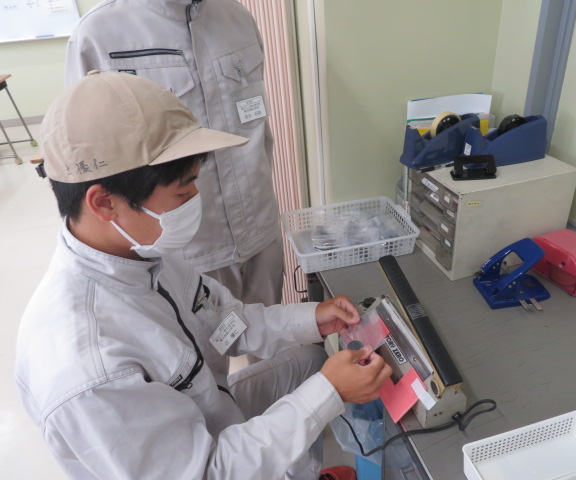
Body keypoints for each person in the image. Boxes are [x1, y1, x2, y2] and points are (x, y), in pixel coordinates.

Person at [15, 72, 391, 480]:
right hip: (206, 465)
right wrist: (328, 394)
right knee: (322, 386)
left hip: (211, 412)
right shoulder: (91, 370)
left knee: (312, 360)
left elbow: (226, 323)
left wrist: (312, 318)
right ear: (105, 203)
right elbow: (207, 473)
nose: (196, 200)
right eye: (183, 190)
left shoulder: (143, 253)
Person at [65, 0, 285, 307]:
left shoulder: (236, 16)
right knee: (202, 338)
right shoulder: (98, 33)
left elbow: (257, 129)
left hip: (261, 230)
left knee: (272, 327)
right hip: (185, 250)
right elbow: (88, 159)